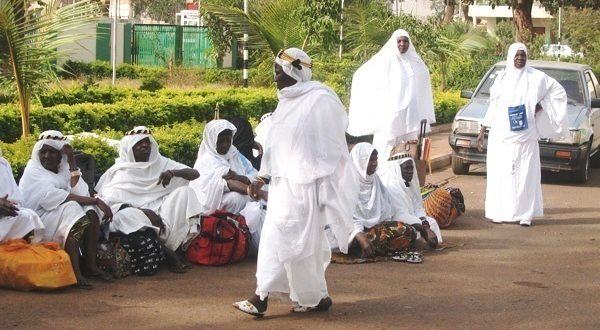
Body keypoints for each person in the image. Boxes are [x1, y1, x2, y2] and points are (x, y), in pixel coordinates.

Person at [232, 48, 358, 317]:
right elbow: (277, 145)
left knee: (286, 240)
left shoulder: (319, 99)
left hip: (305, 187)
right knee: (296, 243)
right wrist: (261, 177)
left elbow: (331, 141)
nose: (275, 78)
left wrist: (315, 173)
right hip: (282, 186)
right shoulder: (286, 102)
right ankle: (316, 296)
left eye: (278, 71)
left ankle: (260, 297)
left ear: (293, 71)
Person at [476, 43, 569, 227]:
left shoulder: (537, 77)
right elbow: (493, 106)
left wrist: (540, 107)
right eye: (517, 55)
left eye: (523, 55)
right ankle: (500, 212)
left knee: (525, 176)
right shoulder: (501, 79)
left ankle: (525, 214)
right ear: (511, 56)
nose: (520, 58)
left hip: (526, 136)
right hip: (501, 137)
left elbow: (557, 91)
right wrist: (482, 130)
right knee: (501, 175)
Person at [95, 126, 202, 272]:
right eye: (139, 143)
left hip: (162, 210)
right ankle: (168, 253)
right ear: (129, 148)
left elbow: (195, 174)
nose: (145, 145)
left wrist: (173, 172)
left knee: (186, 192)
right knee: (127, 217)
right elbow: (110, 202)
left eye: (147, 142)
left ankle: (174, 247)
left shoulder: (162, 163)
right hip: (135, 214)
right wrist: (143, 212)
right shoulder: (120, 171)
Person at [19, 131, 113, 289]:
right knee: (73, 209)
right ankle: (75, 272)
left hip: (57, 213)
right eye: (43, 152)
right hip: (38, 220)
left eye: (53, 152)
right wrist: (96, 200)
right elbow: (52, 197)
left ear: (60, 156)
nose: (47, 156)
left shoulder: (63, 170)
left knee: (91, 211)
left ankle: (90, 265)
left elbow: (78, 191)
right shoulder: (33, 170)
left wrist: (71, 161)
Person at [347, 29, 435, 158]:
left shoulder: (415, 61)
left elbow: (423, 76)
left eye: (405, 41)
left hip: (410, 115)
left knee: (407, 151)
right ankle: (383, 176)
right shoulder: (385, 60)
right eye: (399, 41)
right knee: (386, 149)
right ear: (394, 43)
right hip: (391, 116)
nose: (402, 44)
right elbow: (362, 74)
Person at [190, 119, 267, 255]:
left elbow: (253, 173)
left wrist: (241, 178)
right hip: (212, 202)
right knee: (236, 199)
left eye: (228, 140)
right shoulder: (208, 159)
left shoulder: (234, 153)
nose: (225, 145)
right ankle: (240, 235)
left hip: (243, 189)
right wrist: (254, 192)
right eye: (221, 141)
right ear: (212, 141)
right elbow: (227, 184)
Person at [342, 143, 417, 258]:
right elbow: (343, 217)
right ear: (359, 161)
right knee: (358, 241)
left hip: (374, 229)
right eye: (370, 160)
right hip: (352, 232)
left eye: (375, 159)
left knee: (408, 231)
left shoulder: (375, 179)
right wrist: (359, 235)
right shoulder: (347, 183)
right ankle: (361, 247)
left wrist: (381, 228)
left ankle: (368, 248)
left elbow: (386, 209)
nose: (374, 164)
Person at [380, 153, 443, 248]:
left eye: (411, 168)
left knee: (432, 222)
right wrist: (424, 228)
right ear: (397, 170)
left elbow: (418, 207)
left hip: (413, 219)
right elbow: (400, 215)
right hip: (398, 221)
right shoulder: (392, 188)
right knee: (407, 230)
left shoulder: (410, 185)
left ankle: (425, 240)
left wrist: (424, 222)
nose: (410, 171)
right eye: (406, 168)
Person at [0, 147, 44, 243]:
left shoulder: (2, 164)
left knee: (27, 216)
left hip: (8, 216)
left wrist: (10, 205)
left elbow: (15, 199)